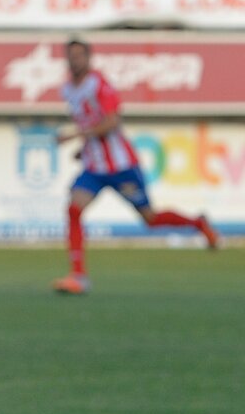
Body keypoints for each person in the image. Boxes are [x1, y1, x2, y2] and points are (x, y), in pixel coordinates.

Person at [53, 39, 218, 295]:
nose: (74, 60)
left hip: (121, 166)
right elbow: (92, 123)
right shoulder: (67, 90)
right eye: (70, 56)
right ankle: (78, 276)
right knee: (73, 210)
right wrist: (83, 148)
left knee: (150, 219)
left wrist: (75, 136)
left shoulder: (100, 85)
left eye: (78, 56)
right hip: (94, 168)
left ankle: (198, 224)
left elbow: (111, 122)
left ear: (88, 58)